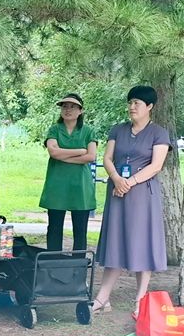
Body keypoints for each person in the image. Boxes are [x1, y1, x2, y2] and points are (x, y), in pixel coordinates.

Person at [93, 85, 171, 318]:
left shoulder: (159, 133)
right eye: (130, 102)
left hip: (142, 195)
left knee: (141, 243)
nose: (132, 107)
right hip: (117, 191)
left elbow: (156, 166)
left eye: (137, 103)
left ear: (149, 106)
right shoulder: (118, 129)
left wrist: (131, 182)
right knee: (114, 241)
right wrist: (117, 179)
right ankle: (102, 298)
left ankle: (140, 300)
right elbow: (107, 158)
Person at [39, 93, 97, 252]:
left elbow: (91, 156)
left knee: (80, 230)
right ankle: (52, 262)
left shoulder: (88, 131)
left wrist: (63, 156)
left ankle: (78, 264)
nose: (68, 110)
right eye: (64, 106)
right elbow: (53, 152)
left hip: (80, 185)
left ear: (80, 111)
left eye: (72, 107)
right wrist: (80, 151)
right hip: (57, 184)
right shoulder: (54, 129)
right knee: (54, 228)